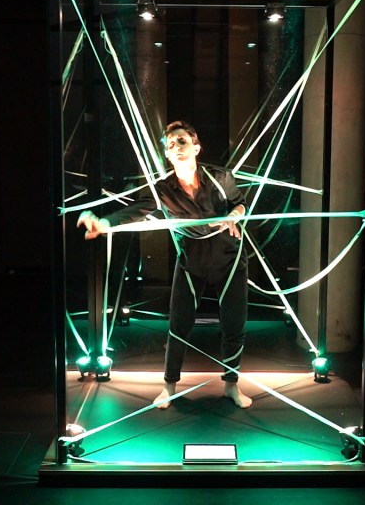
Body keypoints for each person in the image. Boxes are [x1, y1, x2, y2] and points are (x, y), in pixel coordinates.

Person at [77, 121, 252, 409]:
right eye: (171, 145)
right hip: (191, 259)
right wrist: (105, 223)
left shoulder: (221, 177)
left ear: (196, 147)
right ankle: (169, 387)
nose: (176, 147)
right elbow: (138, 210)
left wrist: (234, 215)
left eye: (182, 141)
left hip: (229, 257)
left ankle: (231, 386)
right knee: (178, 324)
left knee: (234, 323)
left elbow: (240, 202)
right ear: (168, 155)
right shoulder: (163, 189)